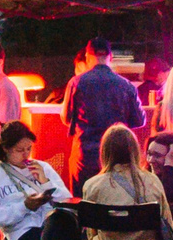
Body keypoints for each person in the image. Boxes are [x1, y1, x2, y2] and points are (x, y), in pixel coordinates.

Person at [61, 36, 143, 184]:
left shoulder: (76, 83)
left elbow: (66, 117)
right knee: (114, 200)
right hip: (116, 154)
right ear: (110, 57)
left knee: (83, 201)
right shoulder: (126, 85)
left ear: (87, 57)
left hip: (85, 155)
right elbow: (139, 120)